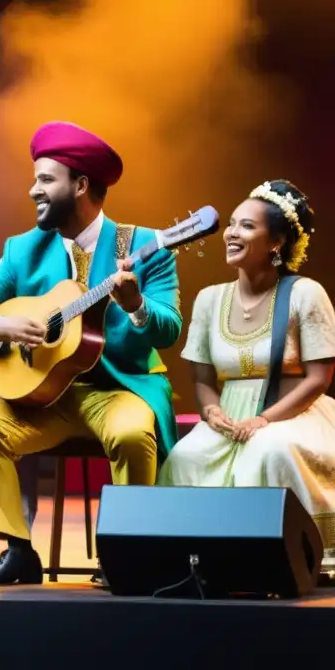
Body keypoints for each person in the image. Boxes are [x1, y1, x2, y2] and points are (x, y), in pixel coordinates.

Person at [0, 121, 181, 586]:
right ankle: (18, 551)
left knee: (133, 435)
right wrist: (2, 326)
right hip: (46, 398)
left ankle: (128, 550)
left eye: (45, 179)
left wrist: (134, 304)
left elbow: (169, 329)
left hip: (118, 388)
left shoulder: (144, 247)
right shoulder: (23, 249)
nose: (32, 189)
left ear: (80, 184)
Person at [158, 180, 335, 571]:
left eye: (247, 226)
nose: (232, 233)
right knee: (183, 459)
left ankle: (285, 560)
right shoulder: (209, 298)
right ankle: (192, 561)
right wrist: (211, 413)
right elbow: (202, 379)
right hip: (229, 416)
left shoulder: (306, 294)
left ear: (277, 242)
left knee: (267, 451)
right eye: (232, 224)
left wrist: (263, 420)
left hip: (292, 412)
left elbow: (318, 379)